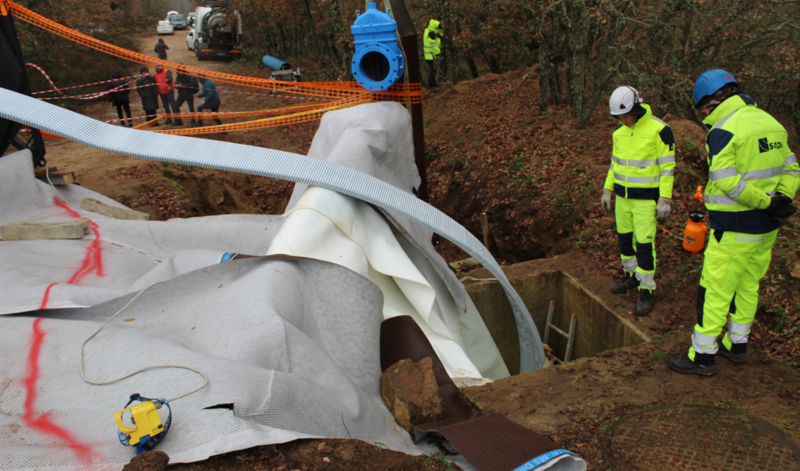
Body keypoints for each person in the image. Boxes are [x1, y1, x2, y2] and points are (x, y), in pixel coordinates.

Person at [668, 70, 799, 376]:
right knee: (747, 284)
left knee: (714, 289)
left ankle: (702, 355)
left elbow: (727, 182)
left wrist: (766, 202)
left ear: (710, 103)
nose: (703, 116)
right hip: (767, 228)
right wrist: (779, 200)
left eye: (703, 110)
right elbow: (792, 169)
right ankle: (737, 345)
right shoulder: (772, 123)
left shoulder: (724, 130)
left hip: (736, 228)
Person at [601, 86, 675, 316]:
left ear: (637, 108)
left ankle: (646, 288)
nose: (623, 120)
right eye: (619, 117)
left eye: (626, 115)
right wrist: (607, 189)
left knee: (644, 244)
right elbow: (615, 164)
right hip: (623, 198)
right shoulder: (618, 132)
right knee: (625, 241)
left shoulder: (660, 130)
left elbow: (667, 167)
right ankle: (631, 276)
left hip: (645, 200)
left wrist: (665, 198)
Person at [422, 19, 442, 90]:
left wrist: (440, 28)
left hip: (429, 55)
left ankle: (433, 84)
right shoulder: (431, 33)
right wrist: (437, 54)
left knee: (433, 69)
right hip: (430, 55)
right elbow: (434, 45)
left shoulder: (429, 31)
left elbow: (441, 34)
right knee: (433, 70)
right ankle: (430, 85)